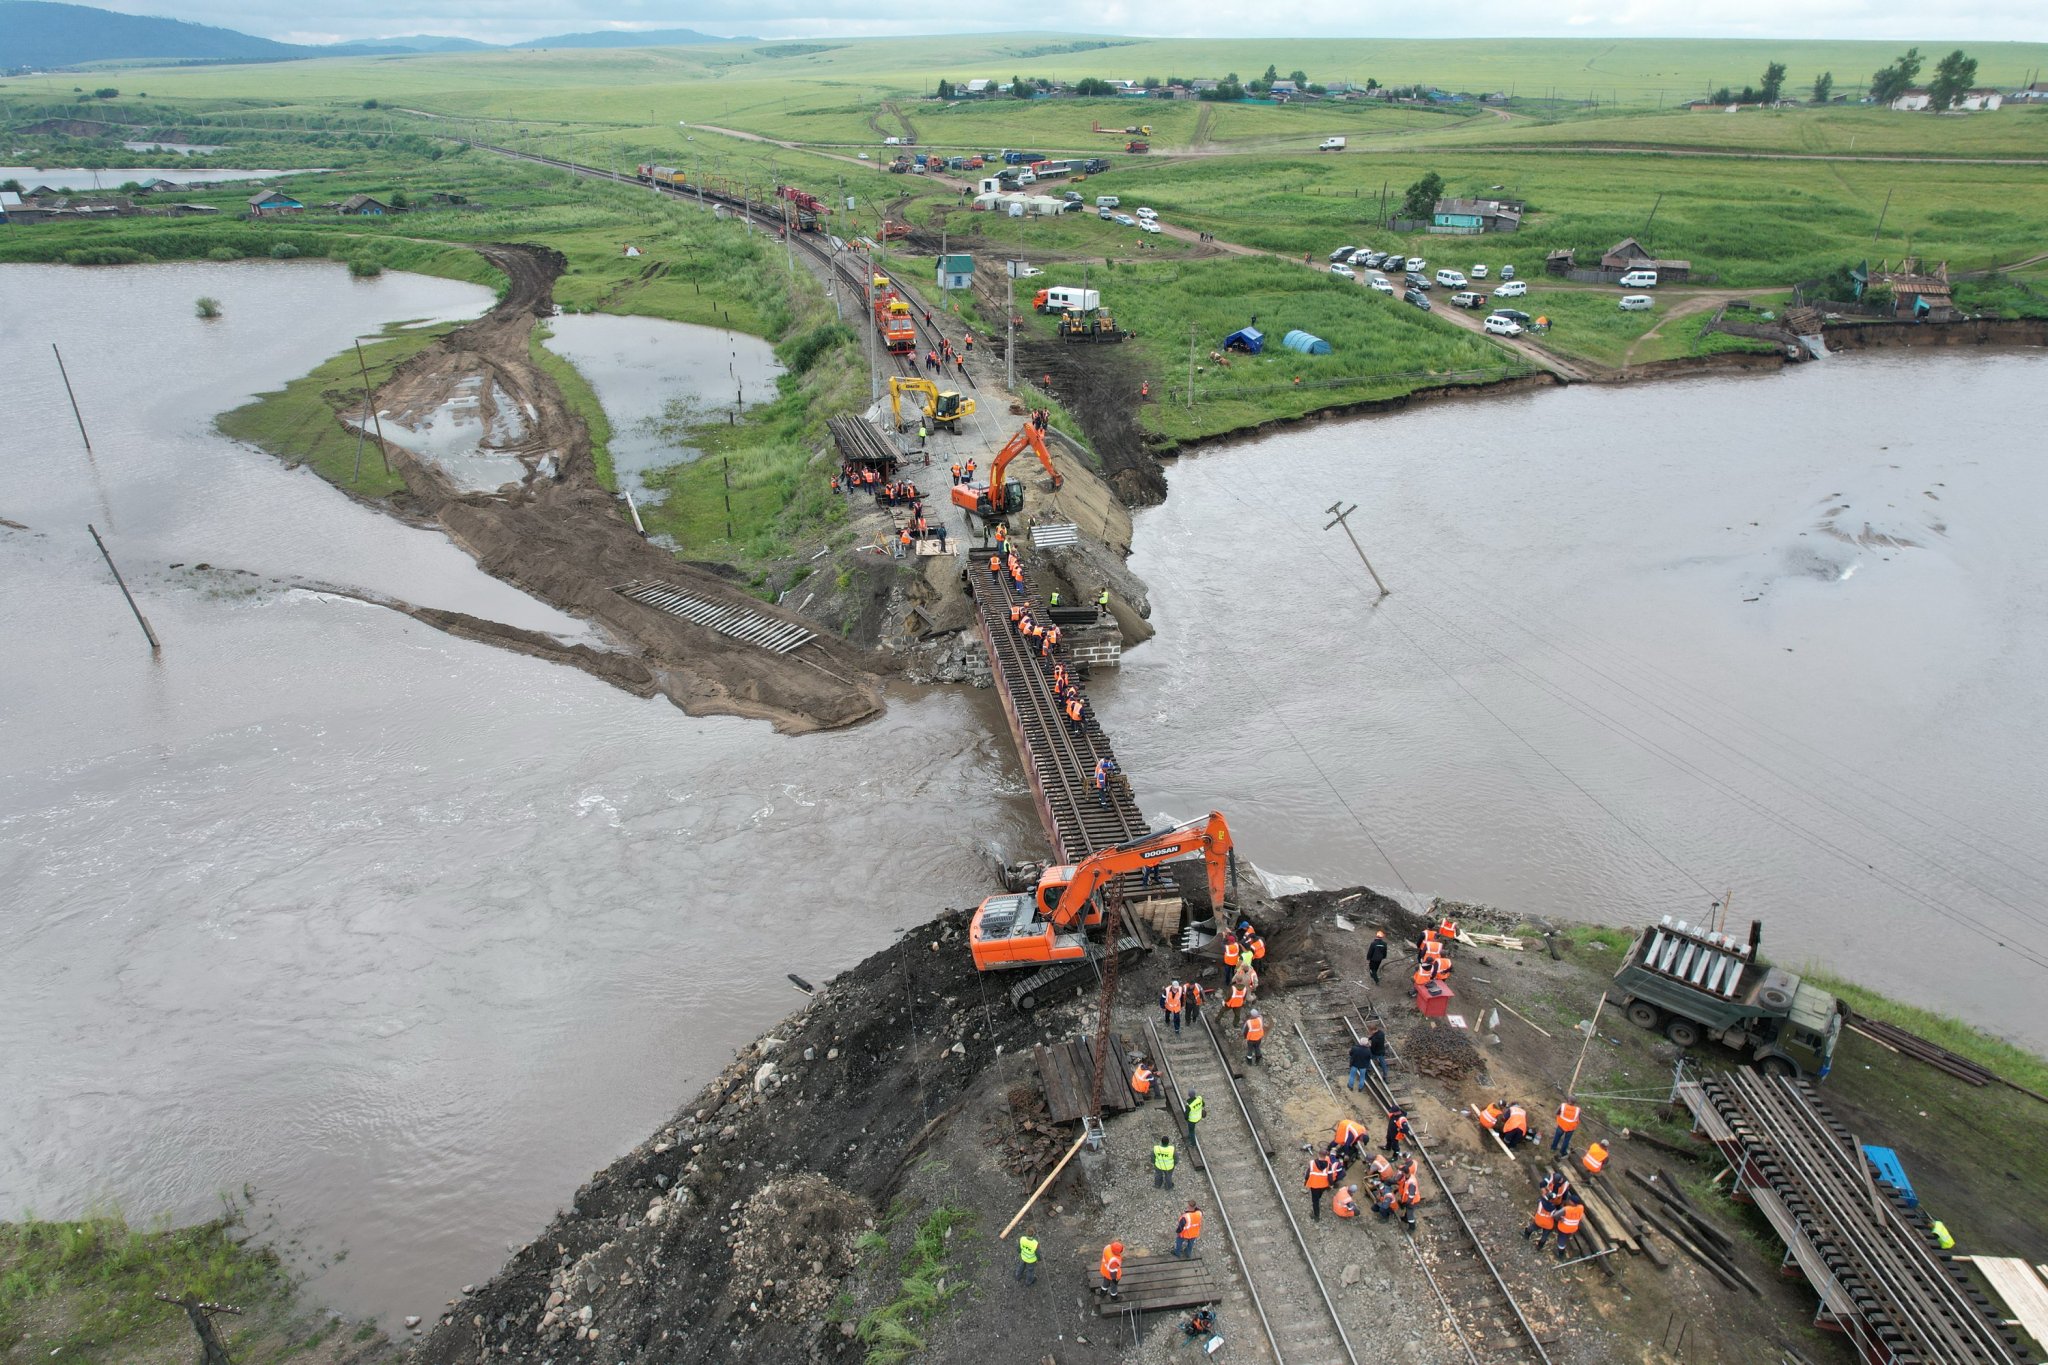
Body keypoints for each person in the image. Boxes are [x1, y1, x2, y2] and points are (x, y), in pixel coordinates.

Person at [1304, 1150, 1333, 1220]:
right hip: (1323, 1185)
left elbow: (1307, 1175)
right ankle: (1318, 1197)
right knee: (1319, 1195)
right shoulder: (1329, 1165)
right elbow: (1330, 1177)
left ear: (1318, 1154)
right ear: (1325, 1156)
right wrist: (1331, 1185)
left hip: (1314, 1185)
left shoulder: (1312, 1163)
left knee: (1315, 1201)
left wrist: (1306, 1180)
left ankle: (1316, 1216)